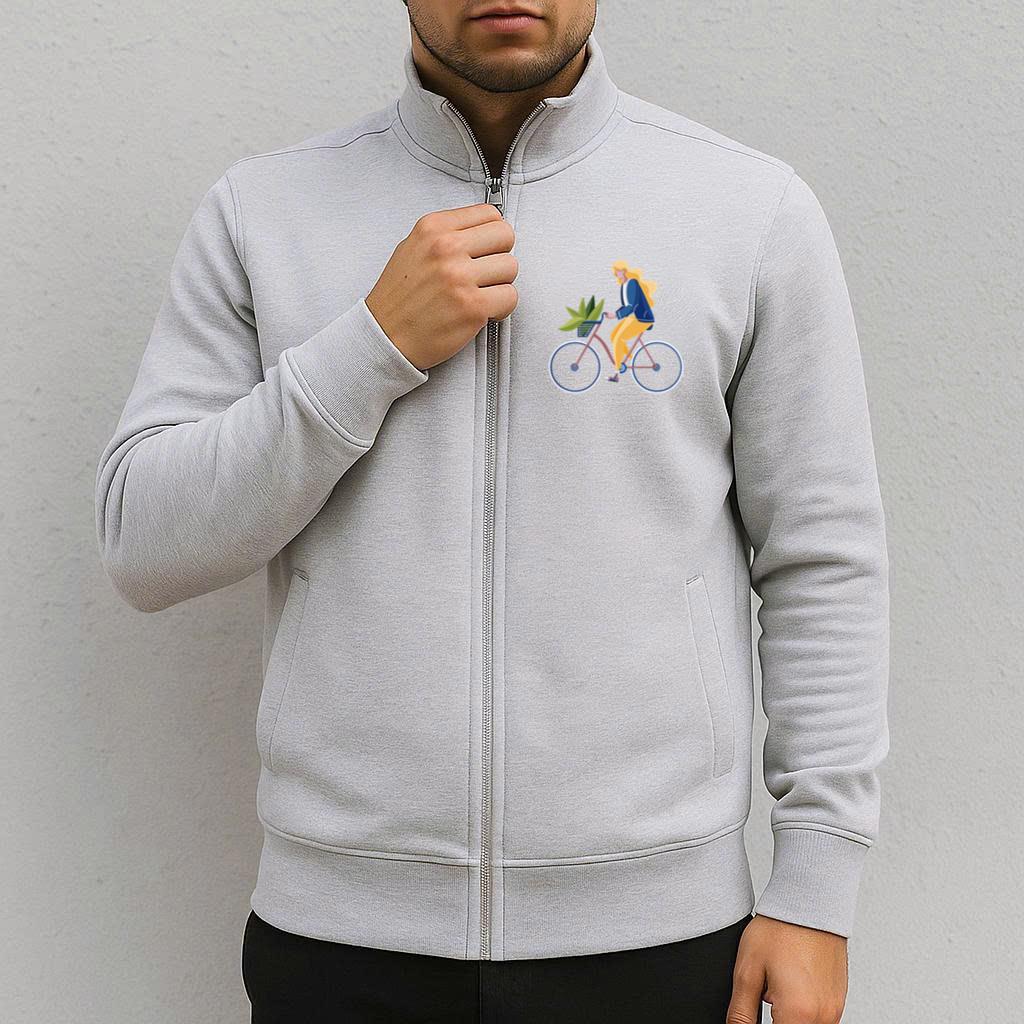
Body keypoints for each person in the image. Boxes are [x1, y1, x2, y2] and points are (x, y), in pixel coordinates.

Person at [94, 2, 890, 1022]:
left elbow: (820, 558)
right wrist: (371, 347)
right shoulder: (264, 210)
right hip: (339, 941)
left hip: (657, 937)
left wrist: (816, 885)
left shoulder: (748, 210)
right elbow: (145, 542)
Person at [607, 259, 656, 381]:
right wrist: (613, 313)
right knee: (613, 336)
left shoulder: (632, 283)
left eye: (619, 270)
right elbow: (625, 306)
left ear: (625, 271)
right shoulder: (623, 286)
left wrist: (616, 315)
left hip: (642, 318)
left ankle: (617, 372)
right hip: (632, 317)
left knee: (618, 339)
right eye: (616, 271)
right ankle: (629, 358)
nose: (617, 273)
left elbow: (631, 306)